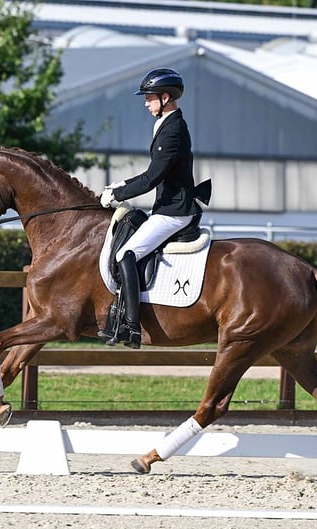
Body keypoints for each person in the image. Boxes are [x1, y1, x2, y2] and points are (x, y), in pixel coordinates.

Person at [99, 67, 206, 350]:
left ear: (166, 97)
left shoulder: (173, 129)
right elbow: (152, 172)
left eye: (149, 98)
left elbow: (153, 177)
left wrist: (118, 193)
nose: (146, 103)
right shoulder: (166, 124)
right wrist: (121, 185)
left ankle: (131, 327)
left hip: (175, 211)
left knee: (126, 254)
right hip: (168, 206)